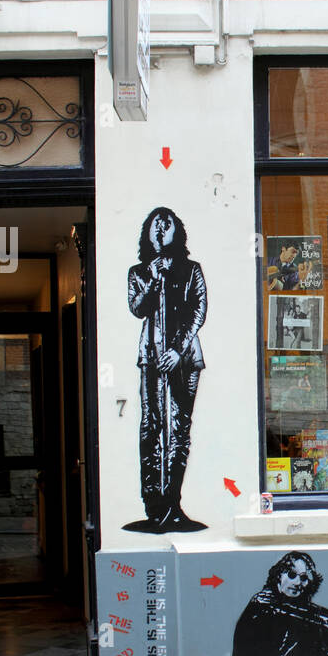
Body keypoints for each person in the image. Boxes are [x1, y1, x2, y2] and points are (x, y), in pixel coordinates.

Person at [126, 207, 207, 533]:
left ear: (178, 231)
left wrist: (177, 349)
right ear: (147, 232)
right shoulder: (138, 271)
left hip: (185, 359)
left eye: (167, 223)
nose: (161, 230)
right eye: (155, 225)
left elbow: (198, 311)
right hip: (151, 358)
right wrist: (153, 278)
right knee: (152, 426)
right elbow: (137, 308)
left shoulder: (191, 270)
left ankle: (173, 502)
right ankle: (153, 504)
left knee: (180, 429)